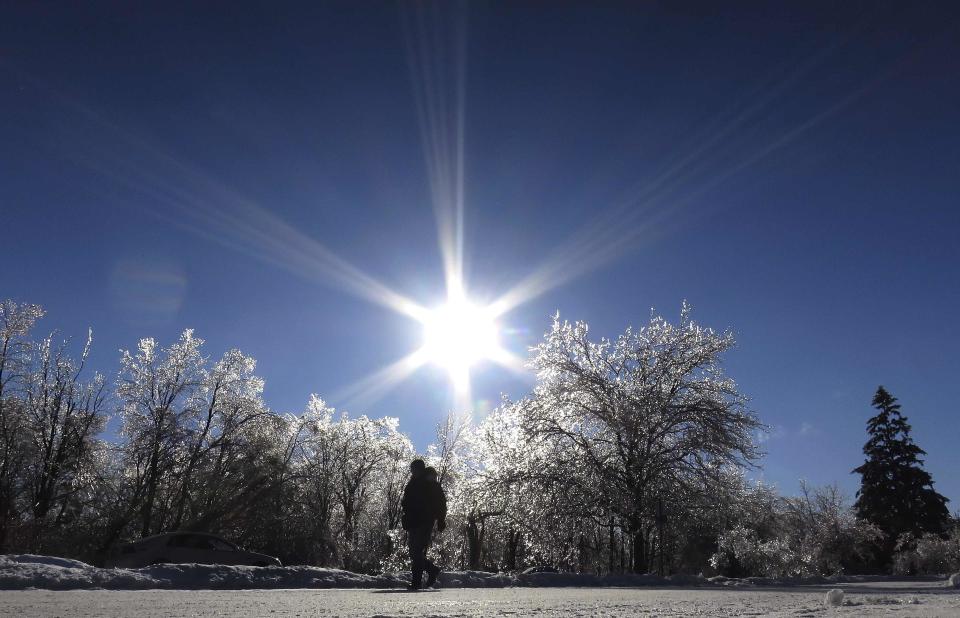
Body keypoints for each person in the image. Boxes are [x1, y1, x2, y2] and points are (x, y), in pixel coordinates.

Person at [400, 459, 447, 590]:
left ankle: (417, 582)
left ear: (420, 469)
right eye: (412, 469)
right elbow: (407, 501)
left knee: (417, 551)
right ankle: (431, 570)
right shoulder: (412, 483)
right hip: (413, 522)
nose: (412, 471)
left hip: (425, 521)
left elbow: (440, 503)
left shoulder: (430, 483)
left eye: (414, 469)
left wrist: (441, 520)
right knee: (414, 553)